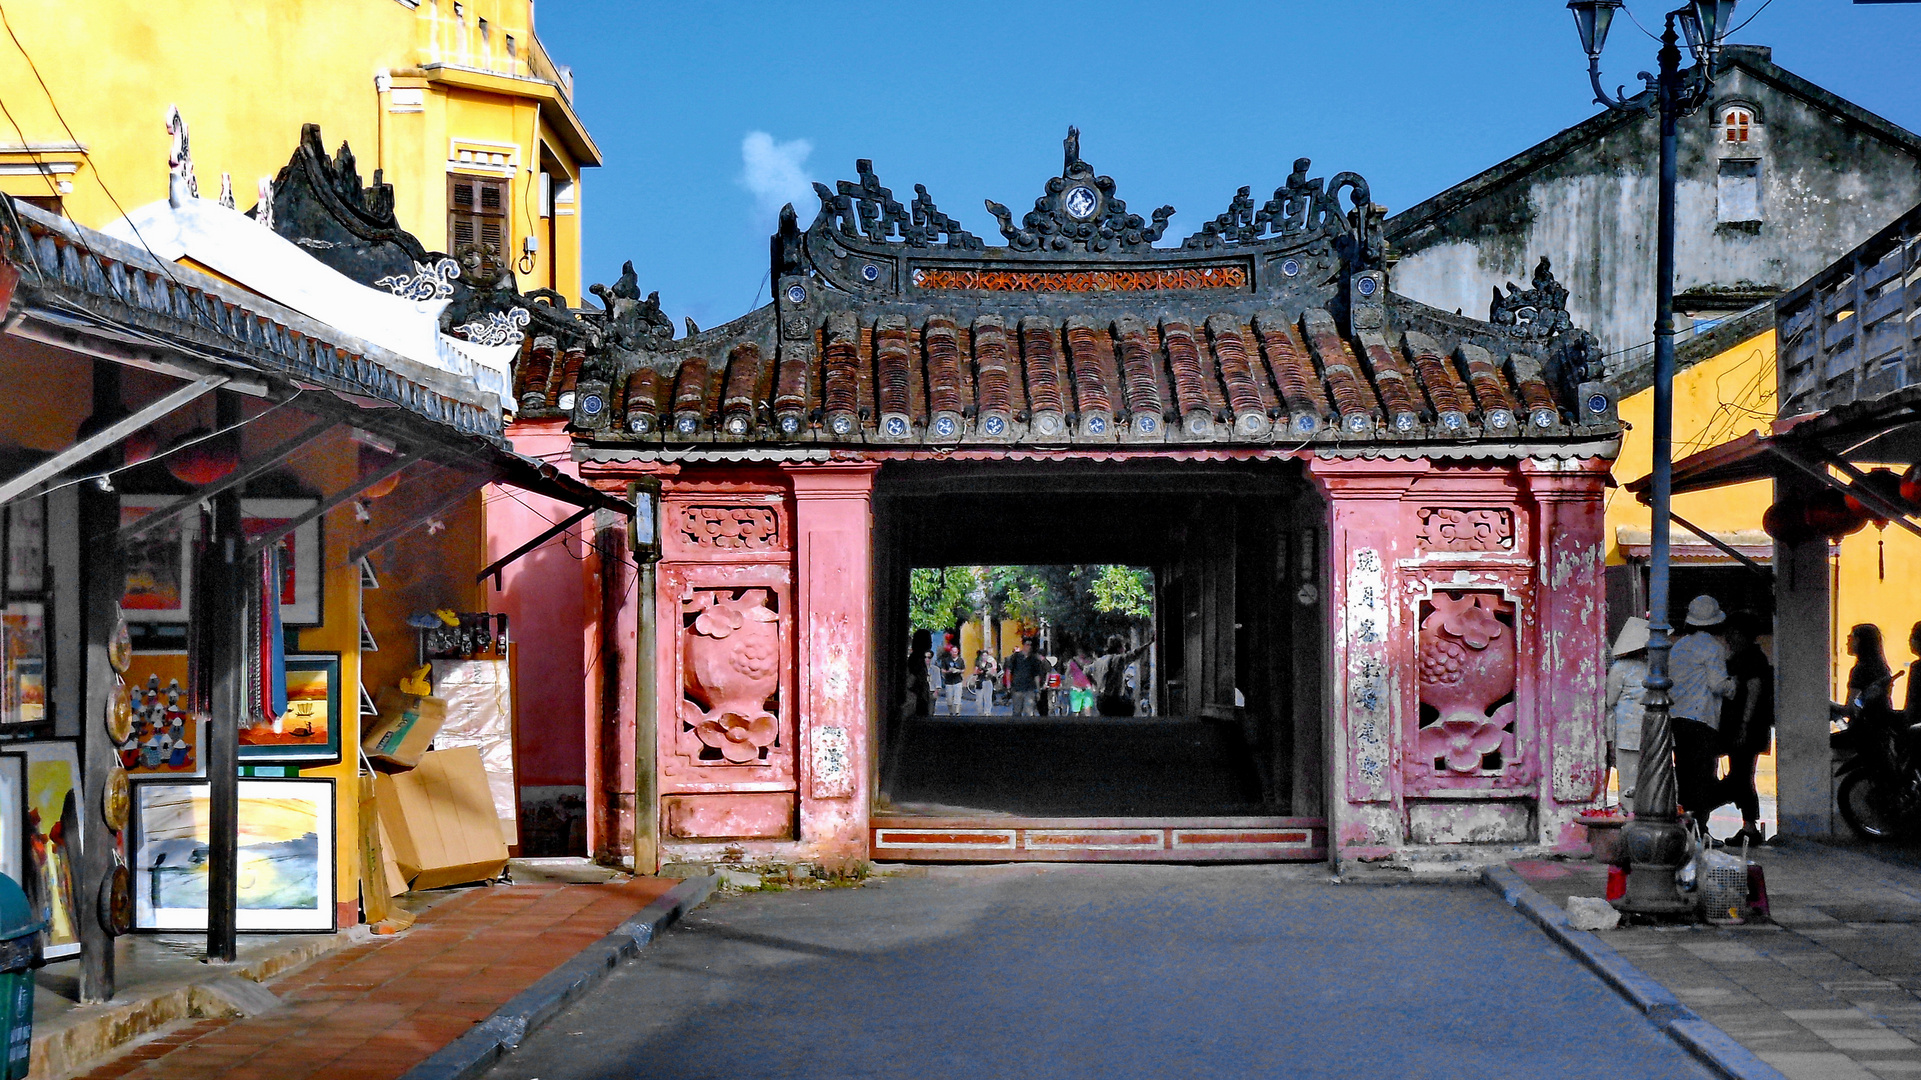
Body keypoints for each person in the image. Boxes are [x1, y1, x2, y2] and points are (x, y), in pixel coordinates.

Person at [1669, 595, 1735, 823]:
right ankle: (1700, 829)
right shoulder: (1713, 648)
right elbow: (1717, 684)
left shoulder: (1679, 646)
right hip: (1702, 720)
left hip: (1677, 718)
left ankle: (1686, 827)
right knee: (1703, 778)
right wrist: (1734, 685)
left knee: (1685, 776)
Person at [1721, 614, 1774, 846]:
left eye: (1733, 633)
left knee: (1742, 776)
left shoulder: (1751, 659)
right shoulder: (1746, 657)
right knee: (1740, 776)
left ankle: (1750, 826)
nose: (1728, 638)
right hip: (1744, 725)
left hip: (1746, 727)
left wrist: (1744, 724)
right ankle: (1748, 824)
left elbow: (1754, 690)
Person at [1605, 617, 1650, 812]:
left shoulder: (1620, 668)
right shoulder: (1651, 667)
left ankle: (1631, 815)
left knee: (1628, 780)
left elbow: (1610, 700)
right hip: (1650, 729)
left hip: (1627, 732)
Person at [1844, 623, 1899, 739]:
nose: (1847, 643)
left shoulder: (1859, 670)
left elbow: (1851, 708)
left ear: (1859, 641)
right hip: (1882, 731)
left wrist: (1829, 706)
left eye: (1850, 638)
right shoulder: (1883, 669)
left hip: (1862, 732)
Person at [1087, 633, 1155, 717]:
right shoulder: (1119, 659)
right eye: (1123, 646)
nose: (1125, 648)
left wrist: (1095, 684)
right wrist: (1149, 643)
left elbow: (1086, 671)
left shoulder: (1099, 661)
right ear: (1119, 648)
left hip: (1101, 700)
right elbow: (1135, 654)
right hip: (1114, 700)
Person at [1006, 637, 1050, 716]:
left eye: (1030, 645)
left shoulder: (1034, 659)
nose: (1029, 647)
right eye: (1027, 644)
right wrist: (1008, 685)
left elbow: (1036, 675)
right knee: (1017, 712)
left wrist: (1038, 690)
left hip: (1030, 689)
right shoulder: (1015, 657)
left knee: (1028, 712)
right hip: (1017, 688)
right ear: (1023, 645)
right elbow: (1008, 671)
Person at [906, 628, 935, 718]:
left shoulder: (918, 657)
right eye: (928, 640)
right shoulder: (916, 659)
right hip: (918, 698)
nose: (931, 643)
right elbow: (912, 678)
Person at [1066, 644, 1096, 716]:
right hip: (1077, 688)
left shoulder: (1089, 661)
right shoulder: (1073, 662)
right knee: (1078, 711)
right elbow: (1067, 674)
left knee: (1086, 710)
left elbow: (1067, 674)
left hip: (1085, 688)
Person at [937, 644, 965, 715]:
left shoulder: (960, 660)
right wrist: (949, 671)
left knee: (957, 698)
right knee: (949, 699)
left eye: (956, 652)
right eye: (953, 652)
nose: (954, 653)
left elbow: (963, 670)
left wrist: (958, 671)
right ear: (951, 652)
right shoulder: (946, 660)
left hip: (958, 681)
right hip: (949, 682)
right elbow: (943, 670)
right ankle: (951, 712)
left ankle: (957, 712)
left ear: (957, 652)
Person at [971, 649, 999, 715]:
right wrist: (979, 672)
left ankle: (987, 712)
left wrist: (989, 672)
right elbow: (975, 672)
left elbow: (993, 672)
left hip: (988, 681)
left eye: (986, 656)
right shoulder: (978, 664)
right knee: (979, 699)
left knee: (988, 698)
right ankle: (980, 712)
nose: (985, 657)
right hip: (980, 681)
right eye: (983, 655)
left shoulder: (990, 664)